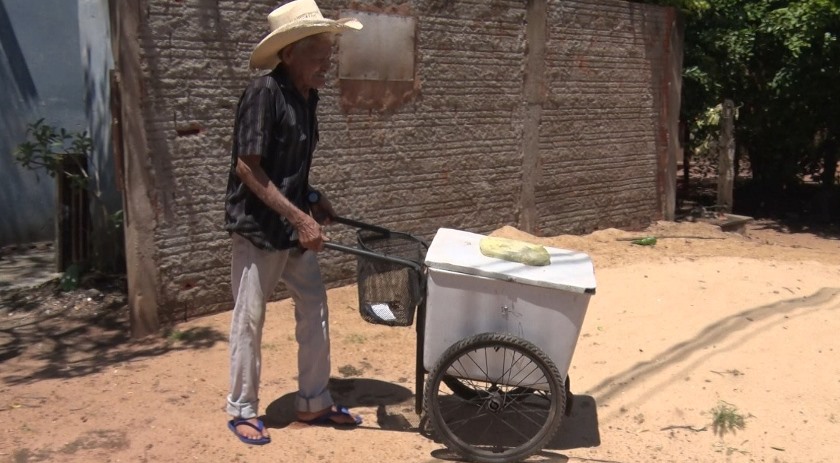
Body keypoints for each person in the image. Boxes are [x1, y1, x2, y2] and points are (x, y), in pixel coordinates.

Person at [223, 0, 363, 445]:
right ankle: (241, 409)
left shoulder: (308, 98)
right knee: (250, 319)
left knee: (315, 311)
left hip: (293, 228)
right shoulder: (264, 93)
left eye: (328, 51)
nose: (327, 61)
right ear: (289, 54)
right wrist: (301, 217)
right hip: (259, 230)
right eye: (319, 52)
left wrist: (315, 200)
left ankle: (313, 401)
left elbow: (291, 169)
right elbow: (248, 168)